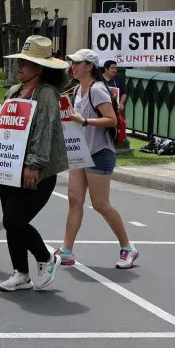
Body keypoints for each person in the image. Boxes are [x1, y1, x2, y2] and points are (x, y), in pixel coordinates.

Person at [0, 36, 69, 292]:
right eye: (20, 62)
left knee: (14, 220)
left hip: (36, 170)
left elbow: (46, 129)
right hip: (10, 167)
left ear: (39, 68)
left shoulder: (46, 93)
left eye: (25, 63)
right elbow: (3, 129)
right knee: (9, 219)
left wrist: (34, 164)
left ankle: (46, 258)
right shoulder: (14, 91)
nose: (19, 67)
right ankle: (21, 273)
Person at [55, 49, 137, 269]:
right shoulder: (78, 90)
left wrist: (84, 121)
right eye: (72, 63)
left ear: (89, 66)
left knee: (100, 204)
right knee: (74, 200)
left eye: (77, 63)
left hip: (99, 151)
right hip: (80, 150)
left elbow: (111, 120)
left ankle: (128, 248)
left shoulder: (98, 89)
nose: (72, 67)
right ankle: (67, 250)